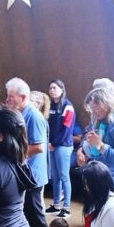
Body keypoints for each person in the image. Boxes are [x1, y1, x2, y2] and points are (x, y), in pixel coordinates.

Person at [6, 77, 52, 227]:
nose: (7, 99)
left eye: (11, 96)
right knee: (25, 213)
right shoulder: (21, 113)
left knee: (35, 215)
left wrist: (15, 156)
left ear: (23, 97)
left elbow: (38, 147)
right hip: (23, 173)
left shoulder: (33, 116)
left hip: (33, 175)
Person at [76, 88, 114, 204]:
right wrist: (84, 151)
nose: (93, 112)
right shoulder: (99, 121)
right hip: (104, 174)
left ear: (106, 103)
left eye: (95, 108)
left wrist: (100, 145)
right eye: (91, 109)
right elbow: (88, 137)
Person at [46, 79, 76, 218]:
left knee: (64, 176)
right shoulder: (50, 105)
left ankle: (67, 207)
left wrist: (54, 143)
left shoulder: (67, 106)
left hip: (63, 146)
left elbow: (66, 129)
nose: (52, 90)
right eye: (50, 88)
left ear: (62, 89)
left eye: (55, 88)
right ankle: (56, 205)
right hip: (51, 145)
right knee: (55, 176)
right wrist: (49, 142)